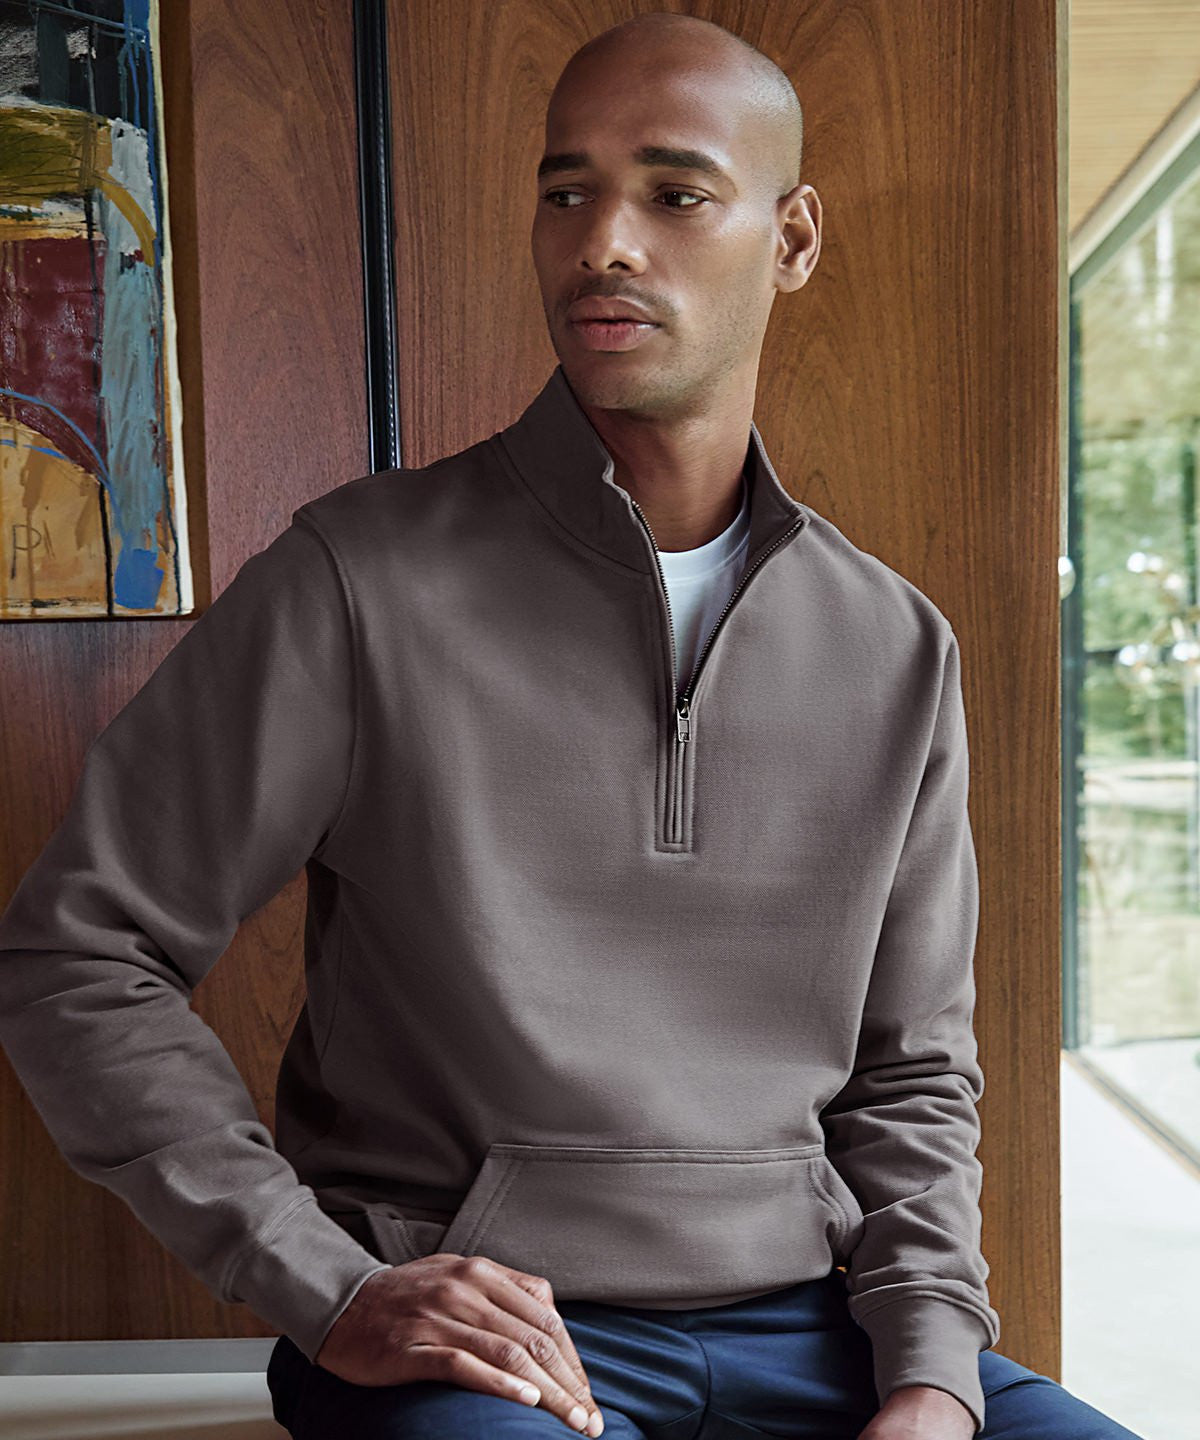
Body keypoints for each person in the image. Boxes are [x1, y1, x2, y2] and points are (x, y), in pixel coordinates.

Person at [0, 11, 1143, 1440]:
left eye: (674, 193)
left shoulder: (895, 645)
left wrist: (929, 1377)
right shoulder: (360, 580)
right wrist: (327, 1286)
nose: (603, 241)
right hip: (481, 1334)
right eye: (566, 192)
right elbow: (80, 954)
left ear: (791, 239)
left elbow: (911, 1073)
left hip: (823, 1324)